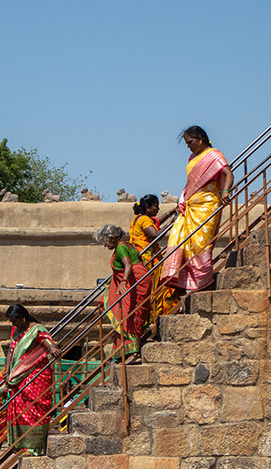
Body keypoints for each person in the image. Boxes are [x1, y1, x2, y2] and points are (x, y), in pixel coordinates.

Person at [160, 126, 234, 293]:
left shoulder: (214, 155)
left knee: (201, 243)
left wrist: (226, 191)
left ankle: (204, 280)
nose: (189, 146)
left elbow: (228, 174)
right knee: (184, 241)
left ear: (201, 138)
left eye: (190, 142)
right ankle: (185, 283)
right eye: (187, 144)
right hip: (191, 204)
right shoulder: (192, 157)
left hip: (207, 205)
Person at [0, 304, 61, 455]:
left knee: (33, 408)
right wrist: (7, 373)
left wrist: (53, 349)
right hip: (17, 375)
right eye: (11, 322)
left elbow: (47, 342)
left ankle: (34, 446)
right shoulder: (16, 331)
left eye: (15, 321)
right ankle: (21, 443)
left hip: (35, 375)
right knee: (17, 405)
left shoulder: (36, 329)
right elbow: (10, 353)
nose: (13, 324)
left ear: (23, 318)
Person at [95, 224, 150, 361]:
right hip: (141, 278)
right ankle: (128, 352)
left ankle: (133, 353)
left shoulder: (120, 248)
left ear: (112, 238)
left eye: (105, 241)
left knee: (126, 316)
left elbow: (129, 265)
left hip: (134, 280)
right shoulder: (128, 245)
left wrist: (124, 281)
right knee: (132, 315)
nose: (105, 246)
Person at [129, 195, 178, 319]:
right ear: (148, 207)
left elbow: (156, 222)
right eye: (156, 206)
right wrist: (172, 222)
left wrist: (172, 211)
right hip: (149, 262)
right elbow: (155, 234)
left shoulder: (139, 219)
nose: (158, 209)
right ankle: (153, 318)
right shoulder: (144, 220)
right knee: (156, 290)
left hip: (143, 260)